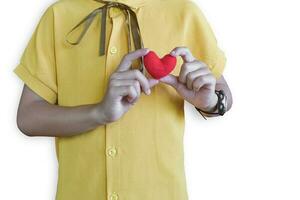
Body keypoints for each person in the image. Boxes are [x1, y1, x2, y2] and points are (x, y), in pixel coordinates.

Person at [13, 0, 233, 199]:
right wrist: (98, 113)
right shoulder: (58, 15)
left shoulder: (184, 12)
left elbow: (223, 92)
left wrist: (212, 101)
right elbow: (28, 117)